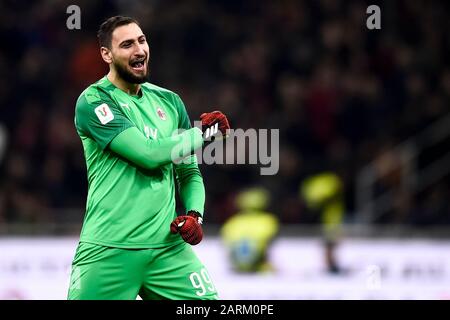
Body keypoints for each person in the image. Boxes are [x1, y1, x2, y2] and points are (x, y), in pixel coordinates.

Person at [67, 16, 230, 300]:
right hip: (110, 250)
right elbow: (147, 154)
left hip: (167, 250)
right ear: (107, 54)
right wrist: (202, 133)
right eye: (127, 44)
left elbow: (188, 173)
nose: (138, 50)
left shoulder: (169, 101)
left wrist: (194, 215)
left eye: (141, 41)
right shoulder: (93, 101)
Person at [221, 187, 279, 273]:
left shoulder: (231, 222)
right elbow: (268, 245)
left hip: (237, 268)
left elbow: (227, 246)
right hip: (260, 268)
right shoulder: (269, 221)